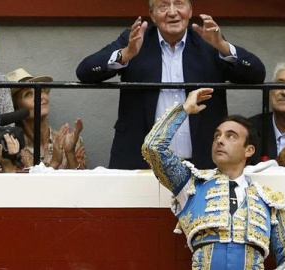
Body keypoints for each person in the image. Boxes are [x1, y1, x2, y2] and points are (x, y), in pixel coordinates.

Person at [76, 0, 266, 169]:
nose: (173, 12)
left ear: (190, 11)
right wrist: (125, 54)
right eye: (163, 6)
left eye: (179, 4)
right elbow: (84, 72)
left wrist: (223, 47)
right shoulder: (136, 39)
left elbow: (257, 74)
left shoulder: (208, 41)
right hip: (139, 161)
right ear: (152, 15)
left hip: (202, 162)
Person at [142, 88, 285, 269]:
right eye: (217, 135)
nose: (219, 140)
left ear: (249, 150)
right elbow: (153, 149)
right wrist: (184, 109)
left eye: (230, 136)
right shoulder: (190, 185)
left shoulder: (270, 202)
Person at [7, 68, 87, 170]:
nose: (40, 97)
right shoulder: (14, 148)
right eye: (28, 94)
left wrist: (70, 153)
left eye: (41, 91)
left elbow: (82, 183)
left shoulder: (70, 141)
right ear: (16, 107)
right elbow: (21, 185)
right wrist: (54, 163)